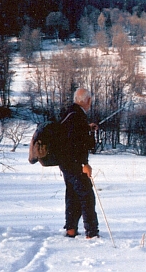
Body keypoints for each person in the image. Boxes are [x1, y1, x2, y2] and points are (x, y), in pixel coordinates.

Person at [59, 88, 100, 239]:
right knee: (87, 196)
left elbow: (70, 136)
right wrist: (84, 164)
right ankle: (91, 233)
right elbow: (77, 144)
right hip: (75, 163)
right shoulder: (77, 117)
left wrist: (87, 128)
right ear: (87, 101)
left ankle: (71, 229)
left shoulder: (69, 113)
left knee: (73, 195)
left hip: (65, 163)